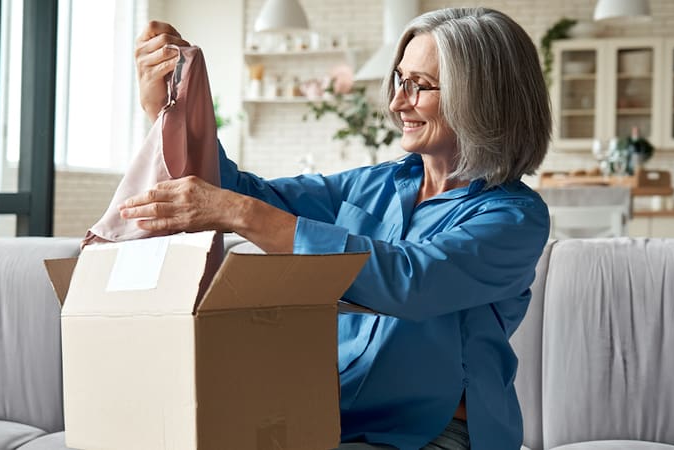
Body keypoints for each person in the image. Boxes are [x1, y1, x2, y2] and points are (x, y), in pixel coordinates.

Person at [125, 7, 551, 449]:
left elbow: (410, 280)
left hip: (435, 434)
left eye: (419, 86)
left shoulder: (514, 218)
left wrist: (241, 214)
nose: (397, 102)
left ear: (481, 97)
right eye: (398, 81)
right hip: (334, 422)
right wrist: (166, 109)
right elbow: (241, 192)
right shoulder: (373, 185)